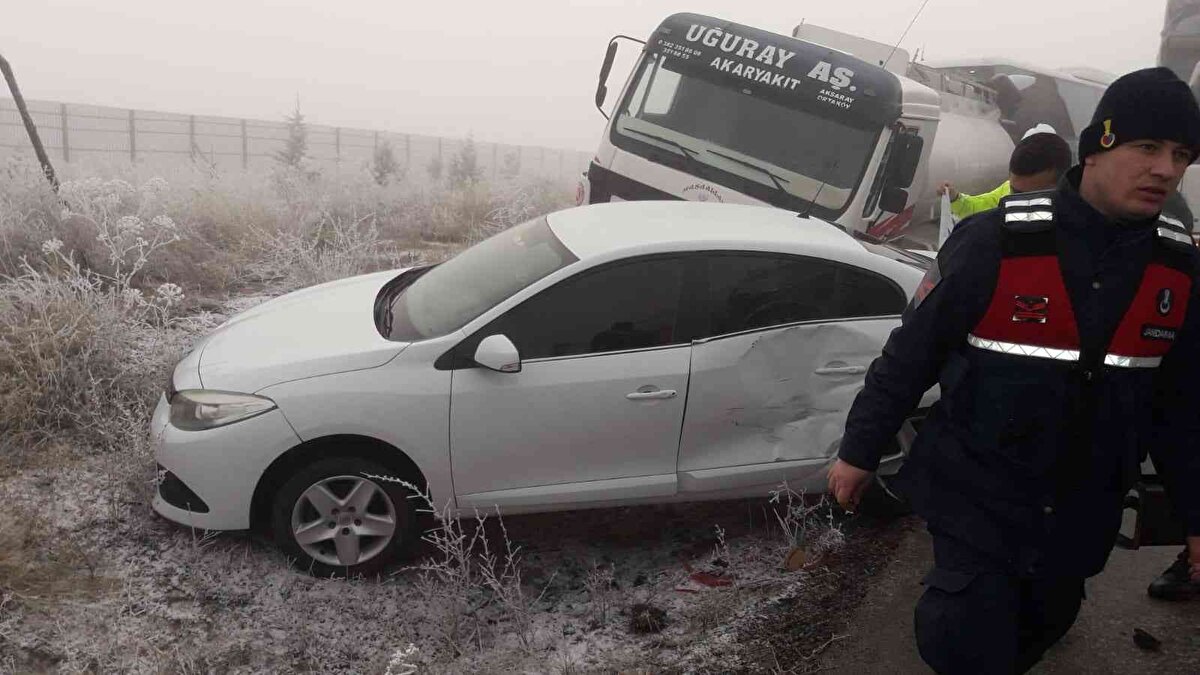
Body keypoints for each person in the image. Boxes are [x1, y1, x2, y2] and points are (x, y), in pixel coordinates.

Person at [827, 67, 1200, 674]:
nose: (1166, 168)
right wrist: (859, 450)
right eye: (1148, 147)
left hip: (1082, 515)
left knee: (1040, 627)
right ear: (1098, 148)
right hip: (980, 501)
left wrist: (1193, 516)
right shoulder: (995, 242)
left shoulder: (1176, 269)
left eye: (1181, 154)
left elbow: (1182, 406)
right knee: (964, 637)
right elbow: (912, 352)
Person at [937, 124, 1072, 221]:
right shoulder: (1005, 191)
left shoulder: (1077, 216)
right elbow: (976, 208)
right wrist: (955, 198)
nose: (1020, 200)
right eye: (1015, 192)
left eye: (1030, 195)